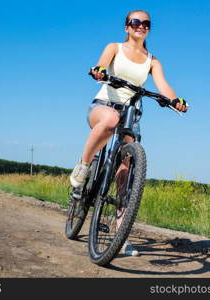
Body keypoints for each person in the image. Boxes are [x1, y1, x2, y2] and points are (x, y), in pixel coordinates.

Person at [70, 10, 188, 256]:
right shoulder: (114, 47)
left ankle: (121, 236)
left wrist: (175, 100)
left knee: (126, 175)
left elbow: (163, 85)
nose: (141, 26)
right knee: (111, 119)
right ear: (126, 27)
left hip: (130, 114)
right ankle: (83, 167)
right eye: (135, 22)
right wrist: (99, 71)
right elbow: (102, 62)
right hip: (103, 107)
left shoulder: (153, 61)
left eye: (146, 23)